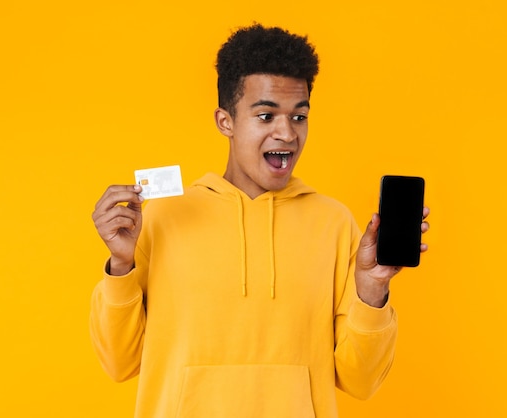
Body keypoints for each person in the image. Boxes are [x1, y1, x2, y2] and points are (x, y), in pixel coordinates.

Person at [90, 23, 429, 418]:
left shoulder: (334, 223)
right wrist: (120, 267)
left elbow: (361, 381)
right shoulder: (163, 217)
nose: (286, 133)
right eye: (266, 116)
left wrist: (372, 290)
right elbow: (119, 364)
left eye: (299, 117)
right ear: (225, 121)